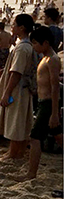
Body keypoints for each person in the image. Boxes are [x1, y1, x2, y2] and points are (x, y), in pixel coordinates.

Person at [0, 14, 38, 160]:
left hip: (18, 89)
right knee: (21, 120)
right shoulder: (27, 45)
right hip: (24, 87)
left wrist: (7, 92)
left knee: (15, 120)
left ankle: (13, 153)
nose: (12, 27)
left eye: (14, 24)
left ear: (21, 28)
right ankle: (18, 152)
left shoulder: (22, 48)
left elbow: (16, 73)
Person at [22, 26, 62, 180]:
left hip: (48, 103)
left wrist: (54, 113)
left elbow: (55, 87)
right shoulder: (45, 58)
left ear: (45, 43)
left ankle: (31, 173)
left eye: (35, 43)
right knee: (57, 135)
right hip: (42, 102)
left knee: (35, 137)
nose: (33, 46)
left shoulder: (53, 60)